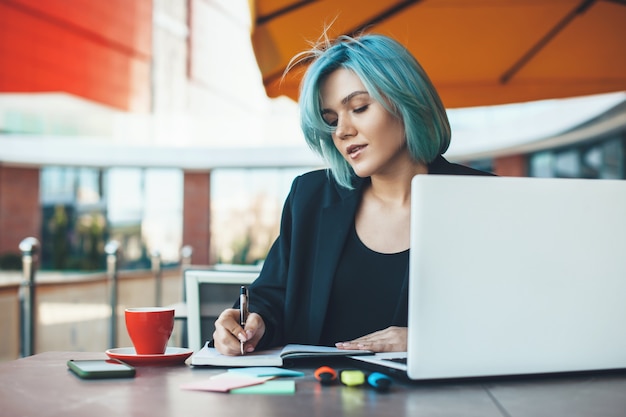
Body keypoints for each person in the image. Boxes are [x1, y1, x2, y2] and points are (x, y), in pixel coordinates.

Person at [213, 33, 493, 356]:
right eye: (331, 120)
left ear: (406, 102)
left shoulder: (483, 201)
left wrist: (425, 340)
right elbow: (272, 296)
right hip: (318, 401)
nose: (342, 131)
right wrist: (251, 322)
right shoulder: (310, 198)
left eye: (358, 108)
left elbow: (514, 321)